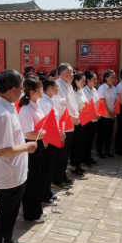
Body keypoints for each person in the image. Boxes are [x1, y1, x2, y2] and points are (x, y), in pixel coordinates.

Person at [0, 69, 37, 243]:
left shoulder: (4, 106)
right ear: (14, 89)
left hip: (14, 171)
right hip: (9, 174)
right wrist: (27, 147)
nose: (22, 92)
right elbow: (3, 149)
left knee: (10, 215)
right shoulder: (2, 113)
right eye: (21, 88)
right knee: (5, 217)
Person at [18, 76, 47, 223]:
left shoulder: (37, 104)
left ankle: (37, 209)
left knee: (38, 179)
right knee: (31, 181)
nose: (42, 91)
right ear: (33, 91)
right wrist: (45, 134)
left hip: (38, 145)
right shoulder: (26, 109)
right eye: (41, 89)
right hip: (30, 147)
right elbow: (28, 133)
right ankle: (30, 213)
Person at [52, 63, 80, 189]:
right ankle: (56, 179)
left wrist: (77, 115)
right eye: (70, 72)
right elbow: (60, 106)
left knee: (66, 153)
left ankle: (63, 175)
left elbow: (73, 102)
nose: (73, 74)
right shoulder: (57, 85)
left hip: (70, 124)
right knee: (60, 154)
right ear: (62, 73)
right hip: (62, 125)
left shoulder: (68, 85)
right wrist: (73, 117)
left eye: (73, 72)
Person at [39, 77, 62, 206]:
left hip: (53, 138)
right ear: (49, 88)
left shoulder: (50, 100)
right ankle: (44, 195)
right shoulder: (43, 101)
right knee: (46, 167)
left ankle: (47, 192)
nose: (58, 88)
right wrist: (47, 138)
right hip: (47, 140)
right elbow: (44, 122)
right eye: (56, 86)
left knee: (49, 167)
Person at [69, 71, 88, 177]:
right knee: (76, 144)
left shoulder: (81, 91)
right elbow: (74, 109)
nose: (84, 83)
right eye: (82, 81)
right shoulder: (73, 93)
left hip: (84, 120)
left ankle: (78, 164)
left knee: (81, 144)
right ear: (76, 81)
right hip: (77, 121)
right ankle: (74, 166)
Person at [97, 70, 117, 159]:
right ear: (106, 78)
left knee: (109, 134)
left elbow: (116, 101)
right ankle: (100, 151)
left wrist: (114, 113)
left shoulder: (114, 88)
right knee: (101, 134)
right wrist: (109, 112)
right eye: (111, 77)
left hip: (112, 115)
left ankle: (107, 151)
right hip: (103, 115)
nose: (113, 79)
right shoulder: (102, 88)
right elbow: (102, 102)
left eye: (114, 77)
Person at [81, 71, 100, 166]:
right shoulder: (84, 91)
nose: (96, 81)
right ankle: (84, 158)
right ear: (87, 80)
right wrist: (93, 114)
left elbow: (97, 104)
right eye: (94, 79)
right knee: (85, 140)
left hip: (95, 119)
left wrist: (99, 113)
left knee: (91, 139)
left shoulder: (95, 90)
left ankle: (88, 156)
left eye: (96, 79)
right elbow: (85, 107)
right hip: (87, 120)